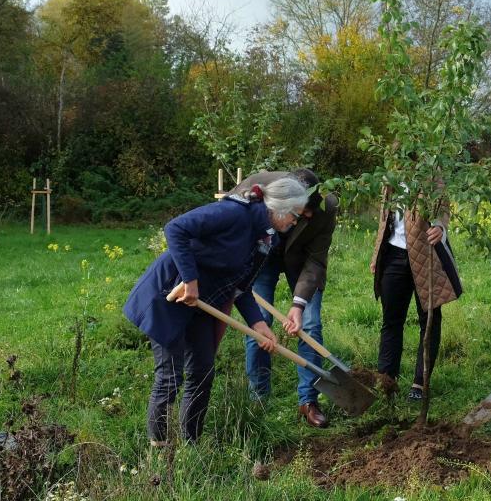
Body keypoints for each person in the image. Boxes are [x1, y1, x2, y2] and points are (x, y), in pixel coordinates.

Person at [124, 177, 309, 445]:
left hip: (201, 303)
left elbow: (240, 285)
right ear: (279, 208)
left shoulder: (265, 237)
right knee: (170, 376)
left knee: (202, 371)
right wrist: (190, 280)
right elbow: (175, 229)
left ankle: (191, 442)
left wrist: (258, 324)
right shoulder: (233, 213)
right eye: (294, 216)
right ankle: (160, 448)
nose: (294, 223)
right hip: (171, 294)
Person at [234, 169, 337, 428]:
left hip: (302, 262)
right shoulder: (255, 188)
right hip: (262, 257)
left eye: (311, 210)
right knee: (259, 324)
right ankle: (258, 399)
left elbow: (316, 259)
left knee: (310, 325)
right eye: (303, 210)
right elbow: (232, 228)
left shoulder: (328, 206)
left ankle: (308, 401)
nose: (309, 215)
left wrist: (298, 305)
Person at [369, 184, 462, 400]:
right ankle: (386, 381)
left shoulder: (431, 171)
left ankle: (420, 383)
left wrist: (440, 226)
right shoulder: (391, 175)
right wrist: (377, 255)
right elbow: (384, 220)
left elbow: (442, 207)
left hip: (427, 255)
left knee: (429, 320)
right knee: (391, 320)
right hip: (393, 255)